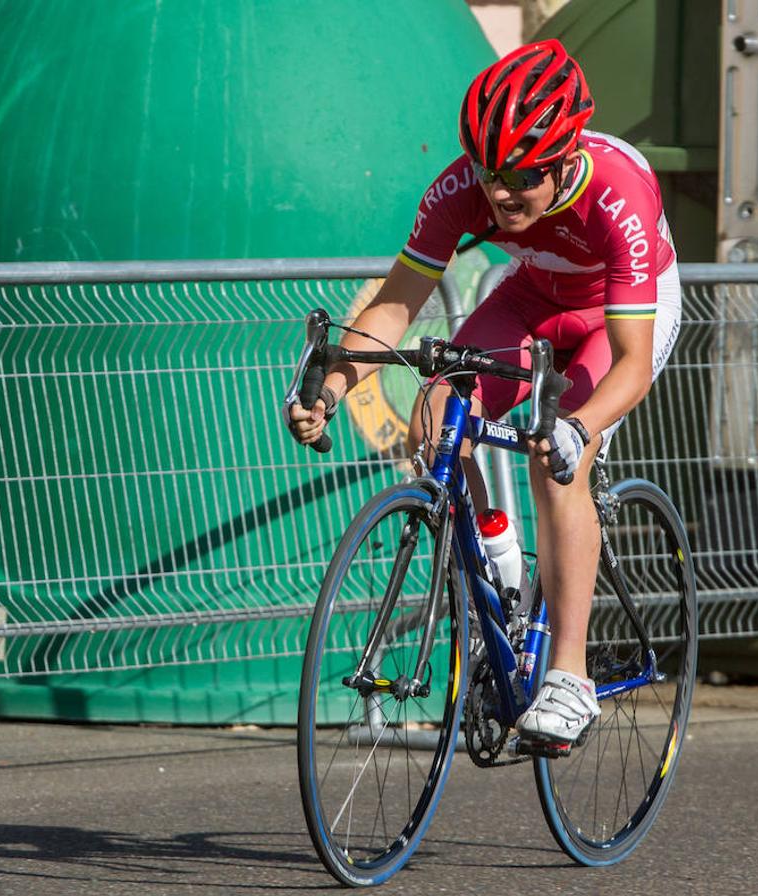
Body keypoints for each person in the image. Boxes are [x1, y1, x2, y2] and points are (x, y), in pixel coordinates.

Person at [287, 40, 681, 753]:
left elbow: (629, 365)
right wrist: (337, 384)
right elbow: (395, 306)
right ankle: (497, 561)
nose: (499, 193)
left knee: (559, 459)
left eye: (521, 178)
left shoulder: (617, 192)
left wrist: (578, 424)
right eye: (488, 172)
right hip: (534, 297)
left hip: (618, 319)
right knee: (435, 420)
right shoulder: (458, 190)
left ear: (563, 159)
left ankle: (567, 676)